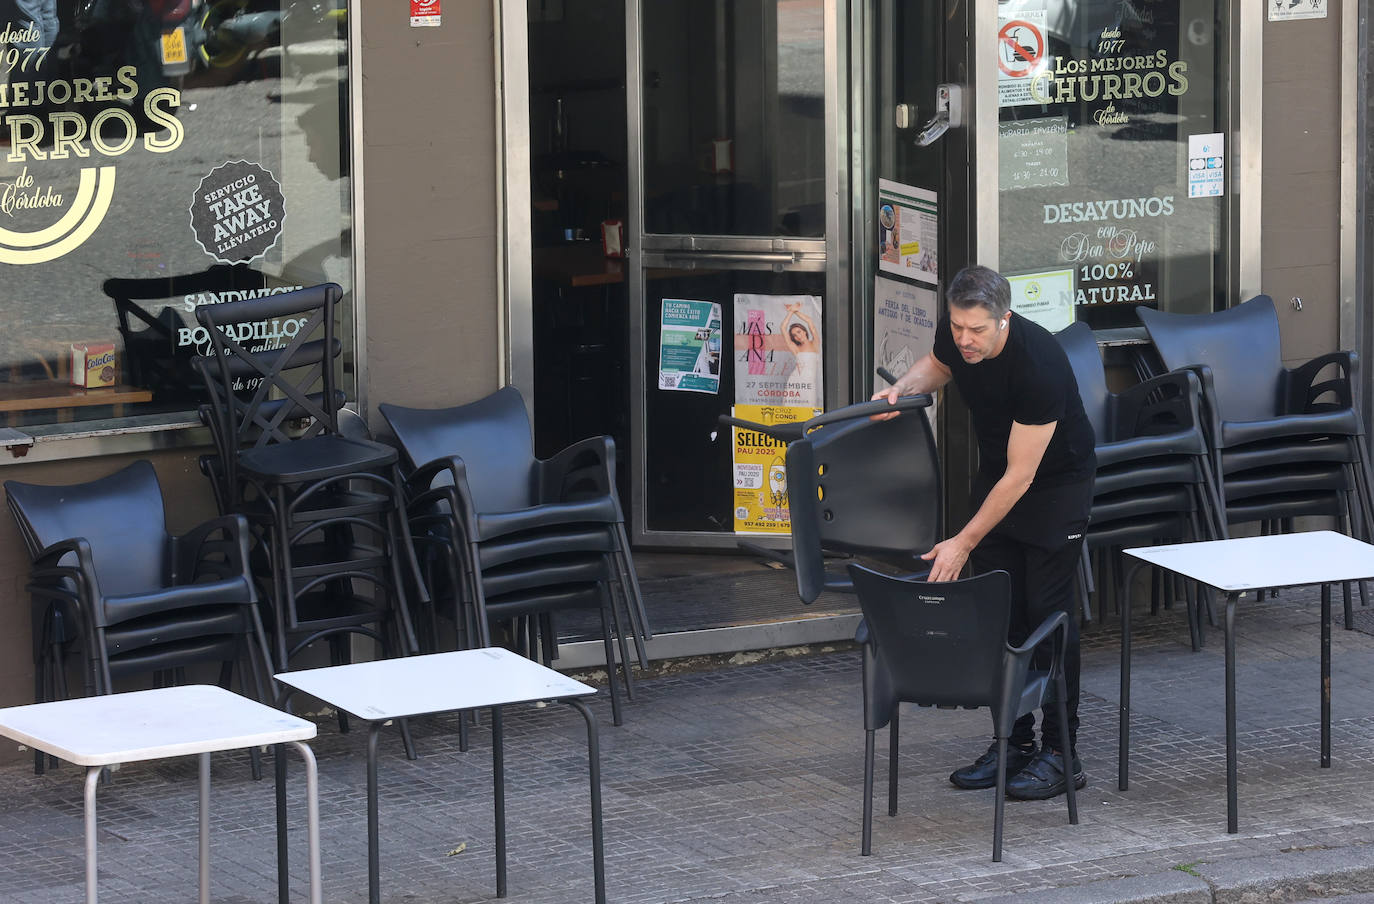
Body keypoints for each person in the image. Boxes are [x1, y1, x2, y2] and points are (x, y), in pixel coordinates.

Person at [872, 265, 1095, 800]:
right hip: (999, 478)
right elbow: (938, 364)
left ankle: (1064, 754)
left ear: (1005, 320)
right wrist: (901, 391)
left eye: (977, 330)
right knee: (1001, 612)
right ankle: (1013, 742)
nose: (965, 340)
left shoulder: (1037, 364)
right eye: (957, 326)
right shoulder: (957, 340)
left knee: (1047, 616)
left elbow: (1024, 475)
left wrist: (963, 539)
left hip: (1053, 489)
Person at [782, 303, 822, 409]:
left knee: (809, 410)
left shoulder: (815, 343)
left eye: (799, 332)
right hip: (795, 382)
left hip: (809, 384)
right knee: (791, 411)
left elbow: (809, 320)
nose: (798, 336)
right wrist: (790, 312)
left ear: (804, 331)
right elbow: (783, 327)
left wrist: (795, 311)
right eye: (794, 335)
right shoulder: (796, 349)